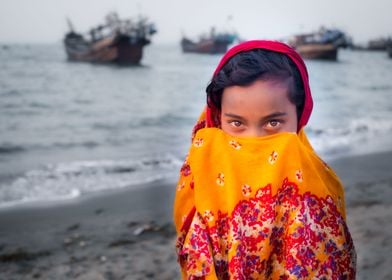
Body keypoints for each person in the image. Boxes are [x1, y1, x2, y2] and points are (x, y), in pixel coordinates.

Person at [173, 40, 356, 279]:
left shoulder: (317, 185)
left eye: (273, 123)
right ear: (218, 118)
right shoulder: (203, 170)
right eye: (237, 123)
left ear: (300, 116)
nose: (254, 140)